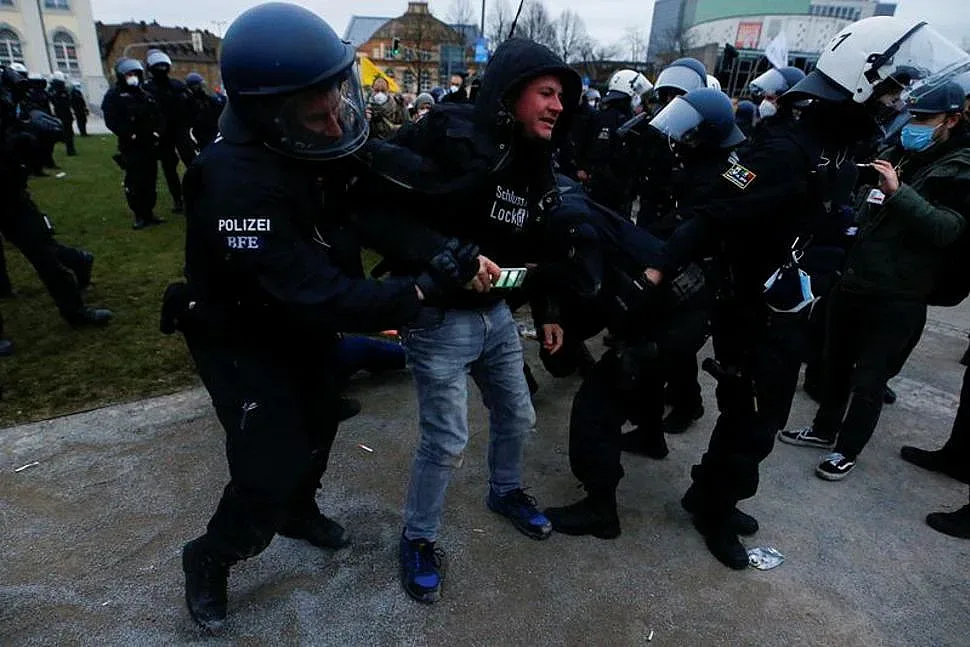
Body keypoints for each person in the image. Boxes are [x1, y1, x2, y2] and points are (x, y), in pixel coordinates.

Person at [164, 3, 480, 633]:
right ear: (268, 111)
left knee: (320, 419)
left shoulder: (305, 138)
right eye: (319, 111)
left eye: (338, 96)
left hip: (300, 328)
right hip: (242, 336)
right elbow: (310, 290)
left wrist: (444, 237)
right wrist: (416, 292)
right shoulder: (234, 182)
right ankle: (212, 557)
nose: (336, 117)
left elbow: (370, 203)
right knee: (267, 463)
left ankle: (299, 510)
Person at [644, 17, 970, 568]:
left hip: (790, 307)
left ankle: (710, 492)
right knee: (751, 417)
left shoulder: (845, 146)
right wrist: (657, 271)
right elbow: (711, 214)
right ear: (858, 82)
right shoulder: (785, 150)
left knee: (758, 417)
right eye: (890, 88)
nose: (896, 102)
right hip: (749, 309)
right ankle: (714, 509)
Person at [351, 37, 583, 604]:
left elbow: (539, 242)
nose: (558, 106)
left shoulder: (536, 159)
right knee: (447, 440)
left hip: (497, 316)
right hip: (438, 322)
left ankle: (505, 491)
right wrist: (442, 254)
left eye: (562, 97)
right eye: (546, 93)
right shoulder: (448, 132)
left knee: (518, 414)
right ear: (510, 93)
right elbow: (370, 203)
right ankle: (418, 537)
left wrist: (549, 311)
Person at [545, 88, 745, 538]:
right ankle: (651, 436)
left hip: (678, 300)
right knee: (653, 371)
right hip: (688, 304)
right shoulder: (712, 169)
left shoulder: (724, 181)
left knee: (599, 400)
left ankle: (600, 508)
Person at [779, 81, 970, 481]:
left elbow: (946, 230)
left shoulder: (960, 169)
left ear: (951, 120)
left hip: (900, 292)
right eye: (912, 115)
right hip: (855, 278)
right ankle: (822, 429)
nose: (913, 125)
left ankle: (846, 450)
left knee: (869, 381)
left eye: (925, 119)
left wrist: (898, 193)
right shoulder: (899, 152)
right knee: (833, 364)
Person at [1, 65, 112, 328]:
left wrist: (31, 139)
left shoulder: (11, 105)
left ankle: (75, 309)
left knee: (43, 250)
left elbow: (29, 143)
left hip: (11, 194)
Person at [101, 58, 166, 229]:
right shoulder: (114, 96)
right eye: (129, 74)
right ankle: (139, 214)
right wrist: (128, 133)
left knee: (150, 179)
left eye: (136, 74)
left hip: (149, 144)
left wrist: (157, 132)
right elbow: (111, 119)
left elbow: (158, 116)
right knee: (135, 181)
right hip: (131, 145)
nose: (133, 77)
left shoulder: (145, 95)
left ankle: (150, 212)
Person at [585, 69, 652, 218]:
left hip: (610, 196)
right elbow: (601, 160)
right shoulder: (616, 120)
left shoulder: (608, 116)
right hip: (610, 199)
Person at [143, 50, 195, 212]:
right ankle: (179, 199)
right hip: (166, 132)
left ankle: (188, 196)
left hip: (176, 129)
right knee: (171, 165)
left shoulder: (175, 86)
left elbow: (191, 105)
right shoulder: (149, 88)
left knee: (186, 162)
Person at [184, 72, 222, 151]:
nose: (201, 88)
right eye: (199, 85)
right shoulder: (189, 101)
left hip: (212, 129)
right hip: (200, 131)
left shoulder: (207, 99)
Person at [48, 72, 76, 156]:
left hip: (63, 114)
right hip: (63, 114)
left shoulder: (54, 90)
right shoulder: (59, 90)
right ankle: (70, 150)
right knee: (68, 133)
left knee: (68, 133)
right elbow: (65, 102)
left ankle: (70, 149)